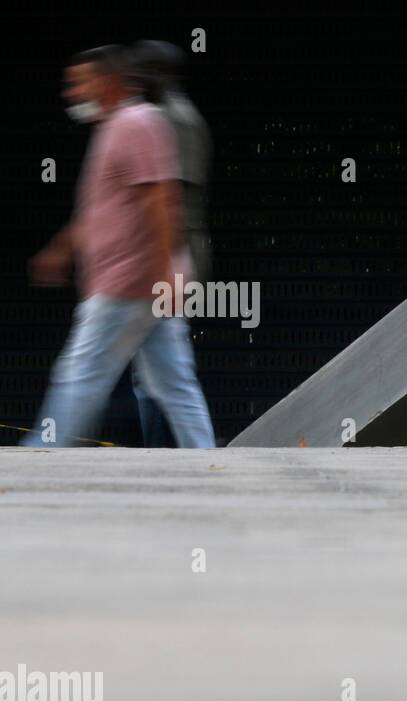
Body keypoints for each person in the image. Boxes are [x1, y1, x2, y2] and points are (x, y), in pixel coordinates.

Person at [25, 45, 215, 449]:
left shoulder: (135, 124)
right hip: (141, 279)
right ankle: (205, 457)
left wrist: (166, 271)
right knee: (173, 381)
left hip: (129, 280)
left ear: (107, 82)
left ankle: (45, 451)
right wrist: (63, 249)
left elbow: (162, 200)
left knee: (81, 370)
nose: (72, 93)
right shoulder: (117, 126)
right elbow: (102, 208)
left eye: (81, 82)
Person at [127, 39, 213, 448]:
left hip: (168, 257)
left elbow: (173, 203)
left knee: (161, 374)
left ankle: (170, 457)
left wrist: (161, 268)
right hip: (161, 258)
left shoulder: (174, 120)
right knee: (157, 372)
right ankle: (177, 456)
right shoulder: (161, 116)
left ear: (159, 73)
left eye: (141, 70)